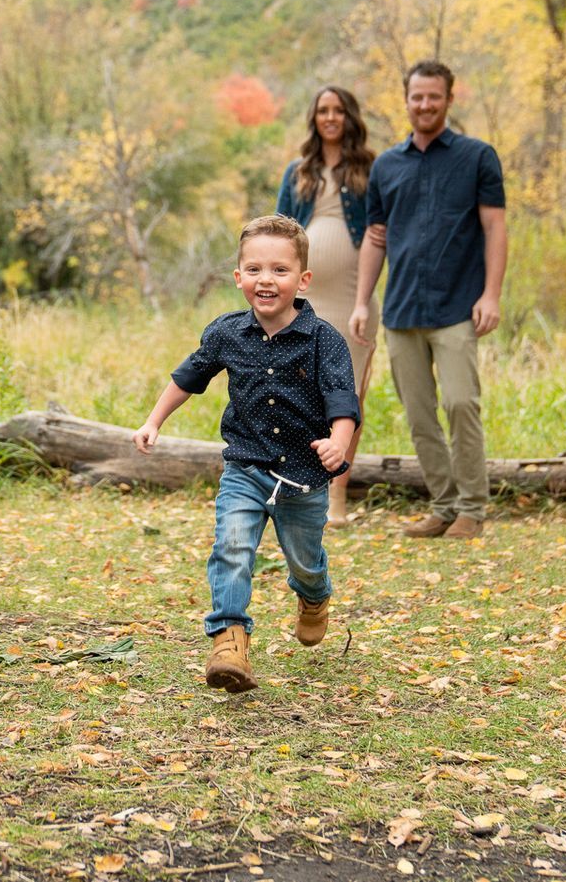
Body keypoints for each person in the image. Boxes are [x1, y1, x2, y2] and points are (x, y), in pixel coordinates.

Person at [133, 215, 360, 693]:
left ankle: (314, 597)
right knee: (232, 546)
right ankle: (229, 641)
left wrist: (338, 442)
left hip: (304, 477)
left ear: (303, 280)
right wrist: (153, 421)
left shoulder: (324, 341)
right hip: (247, 467)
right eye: (254, 269)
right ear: (238, 277)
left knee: (304, 560)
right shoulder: (226, 333)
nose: (266, 280)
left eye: (280, 270)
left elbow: (343, 399)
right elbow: (187, 378)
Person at [349, 62, 506, 540]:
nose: (424, 105)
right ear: (406, 100)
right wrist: (362, 302)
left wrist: (491, 295)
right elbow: (375, 238)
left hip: (457, 306)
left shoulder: (477, 157)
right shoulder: (387, 166)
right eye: (417, 97)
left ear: (449, 99)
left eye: (433, 97)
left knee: (461, 405)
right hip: (400, 311)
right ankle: (442, 506)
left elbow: (495, 227)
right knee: (420, 416)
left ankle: (472, 511)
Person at [274, 86, 376, 527]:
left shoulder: (370, 170)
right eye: (323, 111)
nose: (330, 117)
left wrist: (362, 301)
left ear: (349, 117)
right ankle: (297, 489)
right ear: (314, 118)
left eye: (338, 111)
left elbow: (378, 232)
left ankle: (337, 499)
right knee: (300, 393)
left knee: (347, 397)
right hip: (306, 297)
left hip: (353, 297)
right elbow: (278, 232)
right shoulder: (298, 171)